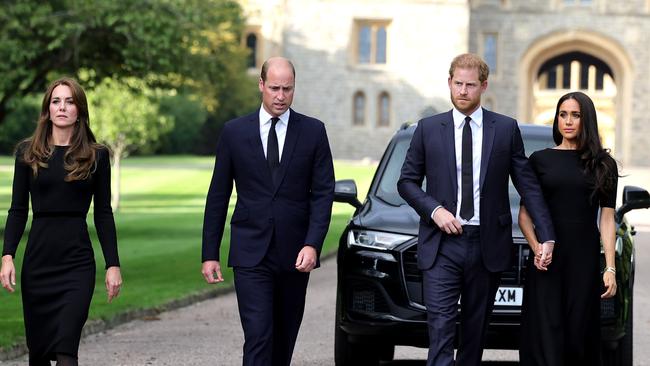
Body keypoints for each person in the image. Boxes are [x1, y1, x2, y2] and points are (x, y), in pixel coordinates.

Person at [397, 53, 555, 366]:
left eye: (471, 85)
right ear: (449, 83)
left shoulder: (505, 129)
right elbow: (407, 182)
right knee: (440, 328)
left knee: (474, 332)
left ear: (484, 86)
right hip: (441, 244)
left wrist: (546, 234)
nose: (463, 91)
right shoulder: (427, 129)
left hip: (487, 245)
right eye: (458, 84)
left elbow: (528, 186)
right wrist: (435, 211)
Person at [201, 57, 335, 366]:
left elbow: (324, 193)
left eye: (287, 89)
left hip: (295, 253)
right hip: (251, 253)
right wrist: (210, 253)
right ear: (261, 85)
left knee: (283, 341)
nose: (280, 96)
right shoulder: (234, 132)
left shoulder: (313, 132)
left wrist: (313, 243)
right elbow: (218, 195)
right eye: (274, 88)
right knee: (259, 336)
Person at [0, 77, 122, 366]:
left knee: (67, 349)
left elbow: (103, 212)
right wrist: (7, 256)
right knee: (39, 353)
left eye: (69, 102)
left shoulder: (96, 156)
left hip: (76, 263)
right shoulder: (27, 154)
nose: (62, 107)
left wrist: (113, 264)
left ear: (79, 109)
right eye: (56, 101)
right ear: (47, 110)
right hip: (39, 262)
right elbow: (17, 210)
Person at [519, 91, 618, 365]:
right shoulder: (539, 160)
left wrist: (609, 268)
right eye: (563, 114)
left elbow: (607, 219)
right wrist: (536, 247)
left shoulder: (603, 165)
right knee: (544, 336)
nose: (568, 121)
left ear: (587, 120)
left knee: (578, 337)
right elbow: (525, 215)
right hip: (546, 262)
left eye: (575, 115)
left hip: (583, 262)